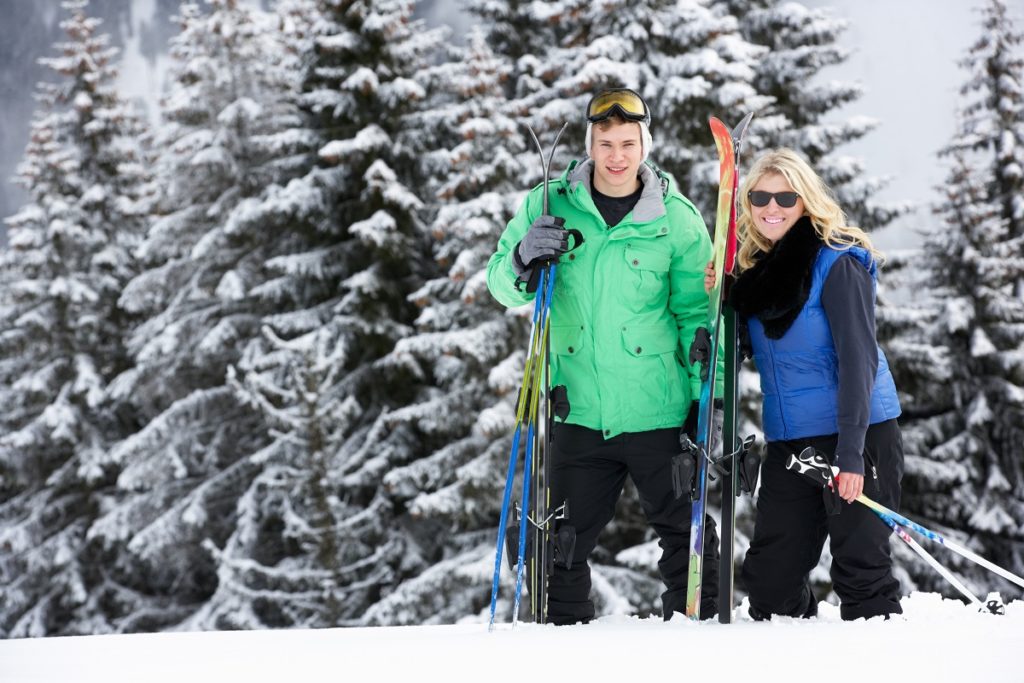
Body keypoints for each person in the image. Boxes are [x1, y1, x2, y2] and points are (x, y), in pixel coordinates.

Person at [486, 88, 722, 624]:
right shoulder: (548, 204)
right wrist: (522, 257)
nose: (617, 155)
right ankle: (563, 648)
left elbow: (696, 316)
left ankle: (699, 647)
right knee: (560, 547)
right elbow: (502, 283)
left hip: (658, 410)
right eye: (606, 142)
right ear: (590, 144)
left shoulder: (676, 219)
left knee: (688, 544)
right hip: (579, 410)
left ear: (645, 144)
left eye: (628, 143)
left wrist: (708, 397)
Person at [705, 148, 904, 621]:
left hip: (858, 433)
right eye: (759, 197)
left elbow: (859, 362)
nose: (771, 207)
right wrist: (724, 298)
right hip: (793, 440)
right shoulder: (759, 279)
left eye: (785, 197)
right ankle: (798, 658)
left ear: (806, 201)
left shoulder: (838, 265)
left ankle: (879, 657)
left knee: (862, 573)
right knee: (770, 586)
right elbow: (752, 348)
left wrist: (851, 455)